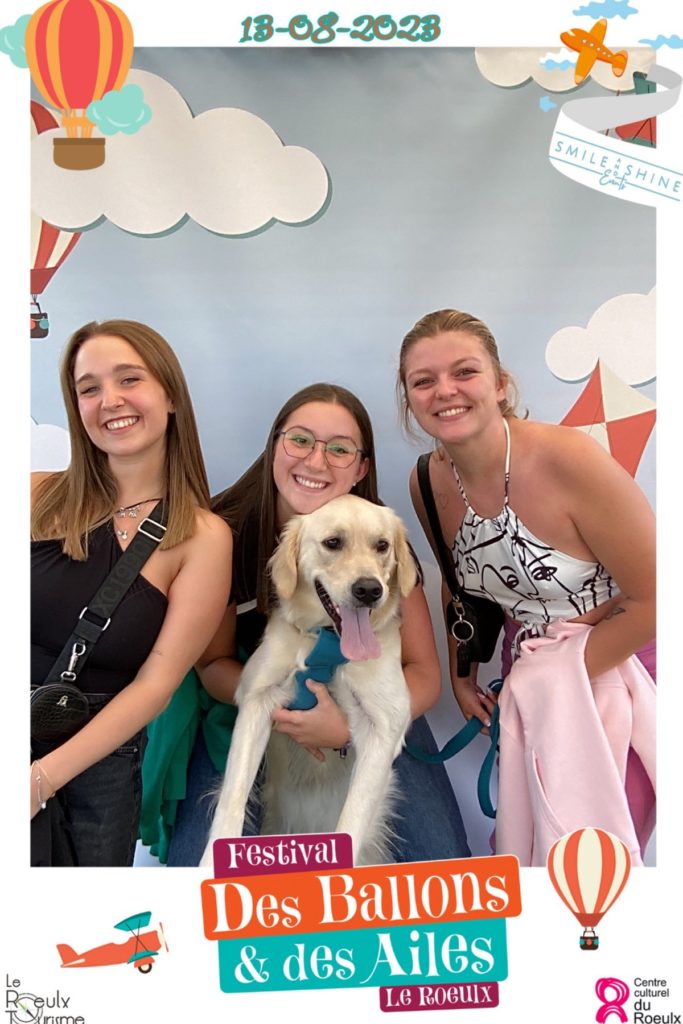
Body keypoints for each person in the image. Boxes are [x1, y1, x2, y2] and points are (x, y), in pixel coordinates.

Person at [142, 382, 471, 865]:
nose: (316, 461)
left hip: (369, 708)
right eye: (300, 440)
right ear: (275, 445)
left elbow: (422, 672)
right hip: (247, 712)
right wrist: (289, 706)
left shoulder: (382, 535)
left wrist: (345, 728)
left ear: (361, 468)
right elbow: (212, 664)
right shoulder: (224, 532)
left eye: (339, 449)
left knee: (442, 864)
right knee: (201, 868)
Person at [398, 308, 656, 860]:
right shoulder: (426, 481)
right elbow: (459, 585)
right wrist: (463, 675)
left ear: (500, 384)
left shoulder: (570, 459)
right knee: (525, 848)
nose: (445, 391)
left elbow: (658, 598)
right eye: (423, 381)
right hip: (529, 671)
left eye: (464, 371)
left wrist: (554, 676)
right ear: (409, 399)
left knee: (596, 854)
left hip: (624, 665)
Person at [31, 319, 232, 866]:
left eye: (129, 379)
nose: (110, 400)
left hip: (98, 781)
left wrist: (39, 780)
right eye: (89, 388)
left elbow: (155, 686)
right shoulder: (33, 494)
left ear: (170, 395)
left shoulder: (204, 538)